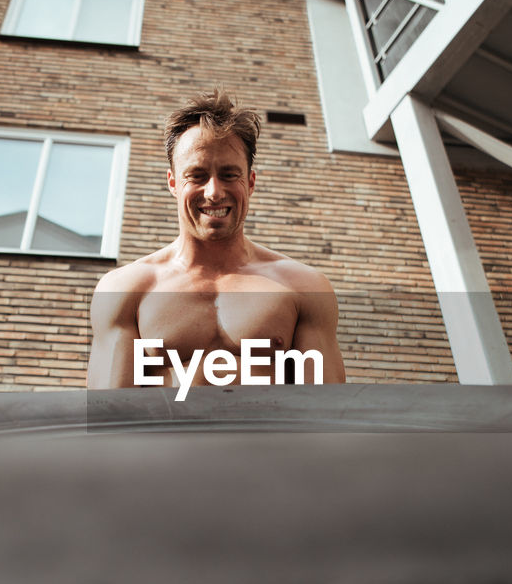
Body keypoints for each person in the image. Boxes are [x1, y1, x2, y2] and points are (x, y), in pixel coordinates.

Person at [88, 90, 345, 392]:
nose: (214, 192)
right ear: (173, 183)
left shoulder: (304, 287)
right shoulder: (126, 289)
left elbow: (326, 416)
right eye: (196, 176)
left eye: (228, 175)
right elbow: (111, 418)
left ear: (250, 182)